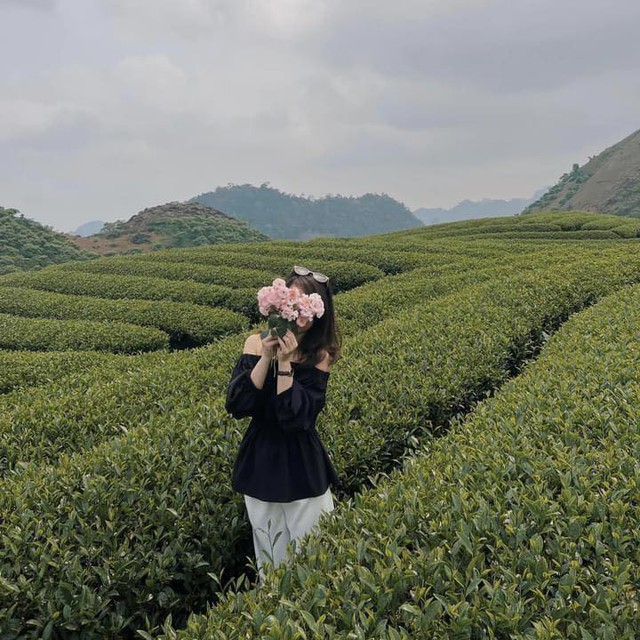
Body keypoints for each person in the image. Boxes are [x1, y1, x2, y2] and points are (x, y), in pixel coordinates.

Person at [225, 265, 341, 578]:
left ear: (319, 311)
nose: (297, 312)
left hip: (302, 465)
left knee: (315, 558)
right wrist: (266, 356)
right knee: (271, 562)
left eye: (306, 304)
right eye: (293, 301)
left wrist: (287, 364)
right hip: (261, 461)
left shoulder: (320, 355)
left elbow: (296, 419)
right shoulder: (254, 343)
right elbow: (238, 404)